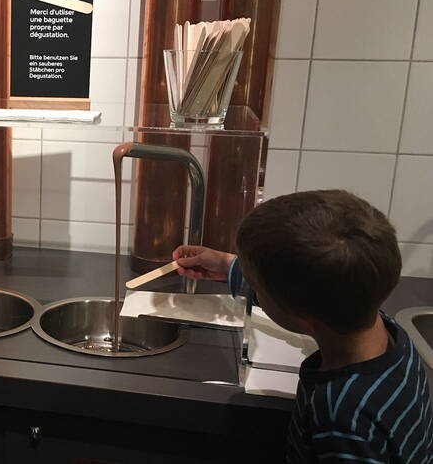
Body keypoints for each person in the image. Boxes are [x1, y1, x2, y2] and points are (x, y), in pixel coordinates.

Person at [173, 189, 433, 463]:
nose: (255, 291)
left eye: (256, 287)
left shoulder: (342, 414)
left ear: (303, 319)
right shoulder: (384, 328)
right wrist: (228, 266)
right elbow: (295, 293)